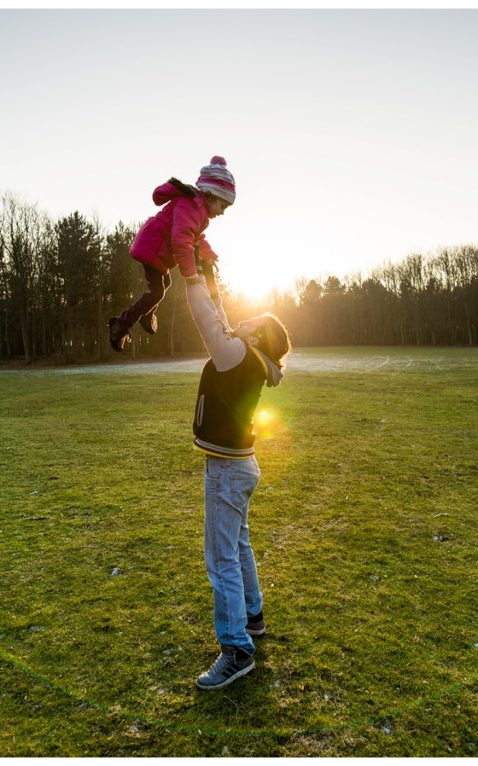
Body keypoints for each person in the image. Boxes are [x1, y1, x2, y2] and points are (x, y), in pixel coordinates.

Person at [184, 267, 291, 690]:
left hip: (227, 471)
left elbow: (208, 321)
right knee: (239, 543)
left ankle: (236, 649)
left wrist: (190, 276)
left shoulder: (238, 357)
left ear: (257, 339)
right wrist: (209, 274)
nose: (243, 322)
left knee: (221, 558)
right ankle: (253, 616)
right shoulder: (246, 356)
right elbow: (224, 320)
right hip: (240, 466)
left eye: (253, 323)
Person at [108, 156, 236, 352]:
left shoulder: (198, 208)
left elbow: (195, 238)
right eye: (223, 205)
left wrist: (208, 253)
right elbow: (181, 238)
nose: (223, 212)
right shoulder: (192, 206)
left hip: (155, 249)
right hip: (152, 246)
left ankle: (145, 315)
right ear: (211, 194)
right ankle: (121, 324)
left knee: (163, 286)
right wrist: (190, 273)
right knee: (157, 291)